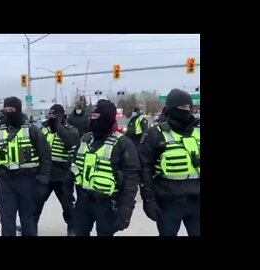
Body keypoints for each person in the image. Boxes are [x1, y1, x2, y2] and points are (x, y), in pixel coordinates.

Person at [72, 99, 141, 236]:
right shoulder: (85, 140)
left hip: (108, 203)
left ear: (107, 118)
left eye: (96, 117)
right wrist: (68, 196)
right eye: (91, 117)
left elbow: (131, 178)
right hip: (83, 200)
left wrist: (126, 208)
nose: (93, 121)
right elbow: (73, 167)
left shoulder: (123, 144)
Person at [139, 89, 200, 236]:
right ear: (172, 109)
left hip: (197, 201)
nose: (186, 111)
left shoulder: (198, 132)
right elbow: (144, 168)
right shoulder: (155, 134)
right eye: (182, 108)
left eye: (189, 107)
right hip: (168, 202)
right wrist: (148, 199)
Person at [0, 96, 51, 236]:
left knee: (28, 222)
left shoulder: (33, 130)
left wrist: (43, 182)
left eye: (11, 109)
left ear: (18, 109)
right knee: (7, 222)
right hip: (6, 183)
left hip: (27, 182)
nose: (8, 112)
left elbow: (45, 157)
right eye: (6, 110)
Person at [34, 104, 79, 236]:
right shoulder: (43, 129)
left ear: (61, 116)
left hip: (62, 175)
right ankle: (31, 226)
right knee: (36, 203)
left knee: (68, 205)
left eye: (54, 115)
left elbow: (70, 142)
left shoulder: (71, 130)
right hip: (45, 174)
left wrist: (57, 126)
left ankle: (72, 228)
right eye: (50, 115)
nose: (51, 118)